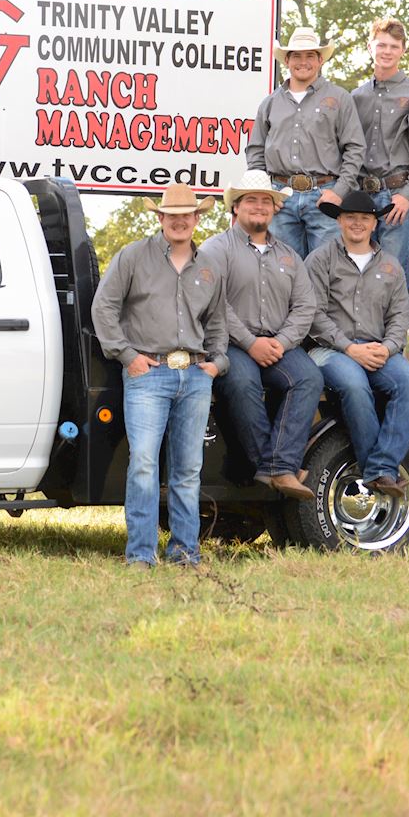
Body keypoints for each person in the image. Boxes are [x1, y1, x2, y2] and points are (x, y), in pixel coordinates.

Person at [91, 185, 229, 567]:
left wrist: (217, 362)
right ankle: (140, 555)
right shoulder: (133, 257)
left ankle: (185, 553)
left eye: (187, 215)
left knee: (188, 469)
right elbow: (104, 308)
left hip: (196, 376)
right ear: (160, 218)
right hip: (147, 374)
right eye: (172, 215)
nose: (180, 221)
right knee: (145, 464)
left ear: (198, 219)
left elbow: (217, 322)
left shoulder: (209, 266)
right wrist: (127, 355)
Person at [202, 171, 322, 500]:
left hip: (278, 343)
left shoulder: (289, 255)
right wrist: (250, 343)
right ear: (235, 208)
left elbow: (305, 306)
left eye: (265, 201)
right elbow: (215, 303)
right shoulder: (215, 249)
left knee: (309, 378)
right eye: (251, 200)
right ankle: (278, 468)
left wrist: (280, 342)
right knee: (241, 383)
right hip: (232, 343)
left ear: (274, 209)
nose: (259, 207)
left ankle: (276, 467)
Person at [303, 191, 409, 497]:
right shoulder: (320, 259)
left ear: (374, 223)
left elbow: (399, 316)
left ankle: (383, 466)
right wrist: (348, 348)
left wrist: (389, 347)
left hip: (377, 348)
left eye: (364, 218)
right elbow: (312, 314)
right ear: (340, 220)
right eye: (351, 217)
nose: (357, 223)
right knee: (355, 386)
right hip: (328, 350)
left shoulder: (391, 266)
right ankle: (378, 473)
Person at [245, 26, 364, 258]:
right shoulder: (269, 103)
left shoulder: (340, 98)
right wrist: (266, 194)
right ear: (287, 60)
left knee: (325, 271)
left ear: (320, 60)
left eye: (310, 55)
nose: (303, 62)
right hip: (281, 197)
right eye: (296, 56)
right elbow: (255, 151)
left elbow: (355, 148)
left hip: (324, 195)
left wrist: (339, 191)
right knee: (282, 270)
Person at [350, 17, 409, 284]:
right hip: (361, 196)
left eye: (394, 46)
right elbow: (348, 150)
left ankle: (396, 328)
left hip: (396, 196)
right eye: (381, 45)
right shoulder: (356, 97)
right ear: (369, 47)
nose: (387, 51)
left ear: (403, 50)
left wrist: (408, 195)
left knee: (392, 277)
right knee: (358, 276)